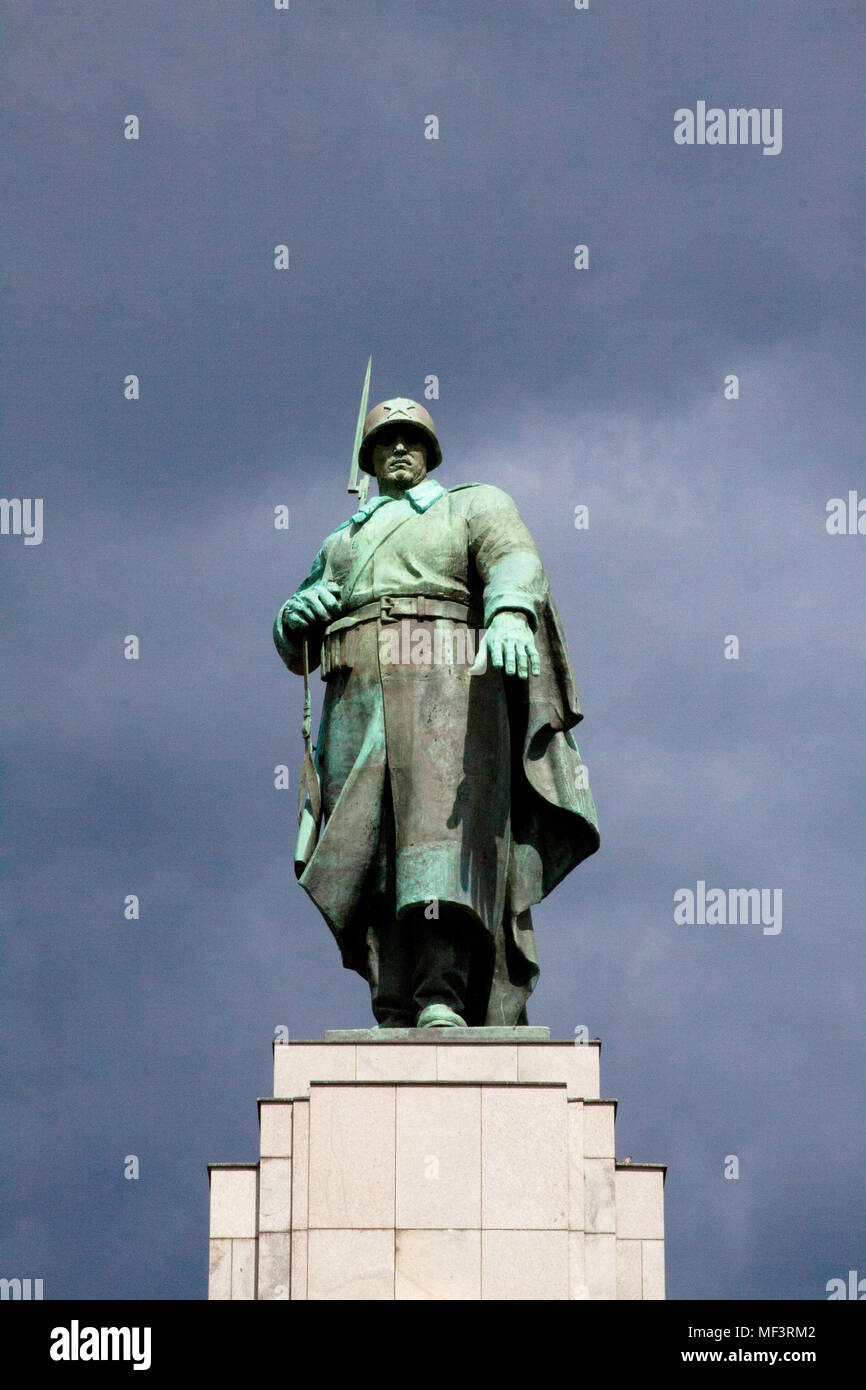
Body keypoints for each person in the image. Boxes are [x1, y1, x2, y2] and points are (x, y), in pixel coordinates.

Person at [274, 398, 599, 1028]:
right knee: (369, 854)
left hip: (444, 686)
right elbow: (297, 643)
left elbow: (515, 560)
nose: (399, 449)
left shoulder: (473, 504)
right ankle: (390, 1001)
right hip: (356, 695)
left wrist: (508, 611)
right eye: (386, 441)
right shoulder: (341, 539)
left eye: (412, 440)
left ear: (431, 452)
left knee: (439, 847)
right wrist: (292, 619)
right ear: (367, 458)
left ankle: (440, 993)